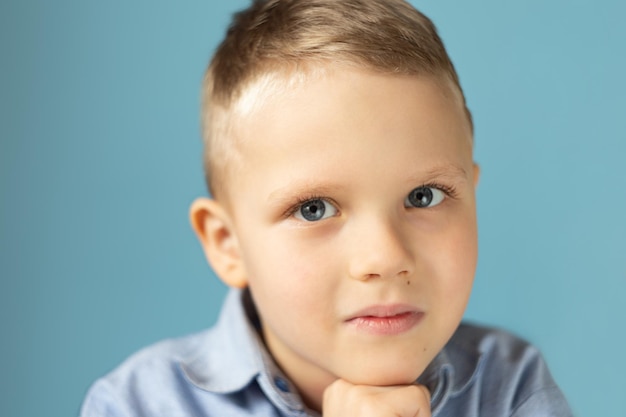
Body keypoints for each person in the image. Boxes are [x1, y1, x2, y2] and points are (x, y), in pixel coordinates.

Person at [80, 0, 572, 415]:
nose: (384, 257)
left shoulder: (511, 387)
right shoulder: (140, 403)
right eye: (314, 209)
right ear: (228, 243)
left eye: (423, 196)